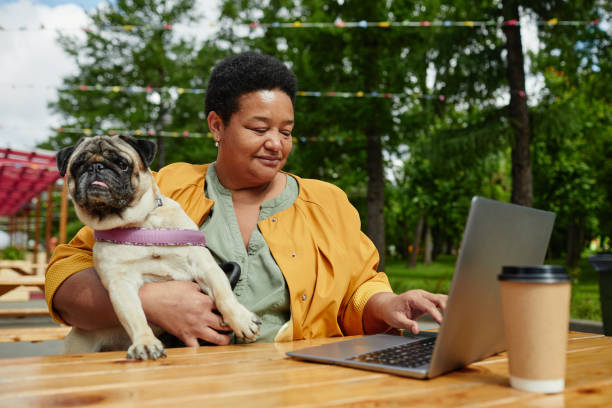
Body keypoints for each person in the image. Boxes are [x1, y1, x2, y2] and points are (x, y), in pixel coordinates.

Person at [45, 51, 447, 347]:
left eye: (286, 131)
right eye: (259, 128)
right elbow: (66, 277)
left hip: (295, 385)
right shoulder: (162, 191)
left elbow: (359, 290)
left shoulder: (328, 203)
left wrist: (390, 303)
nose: (276, 143)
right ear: (217, 125)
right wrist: (149, 301)